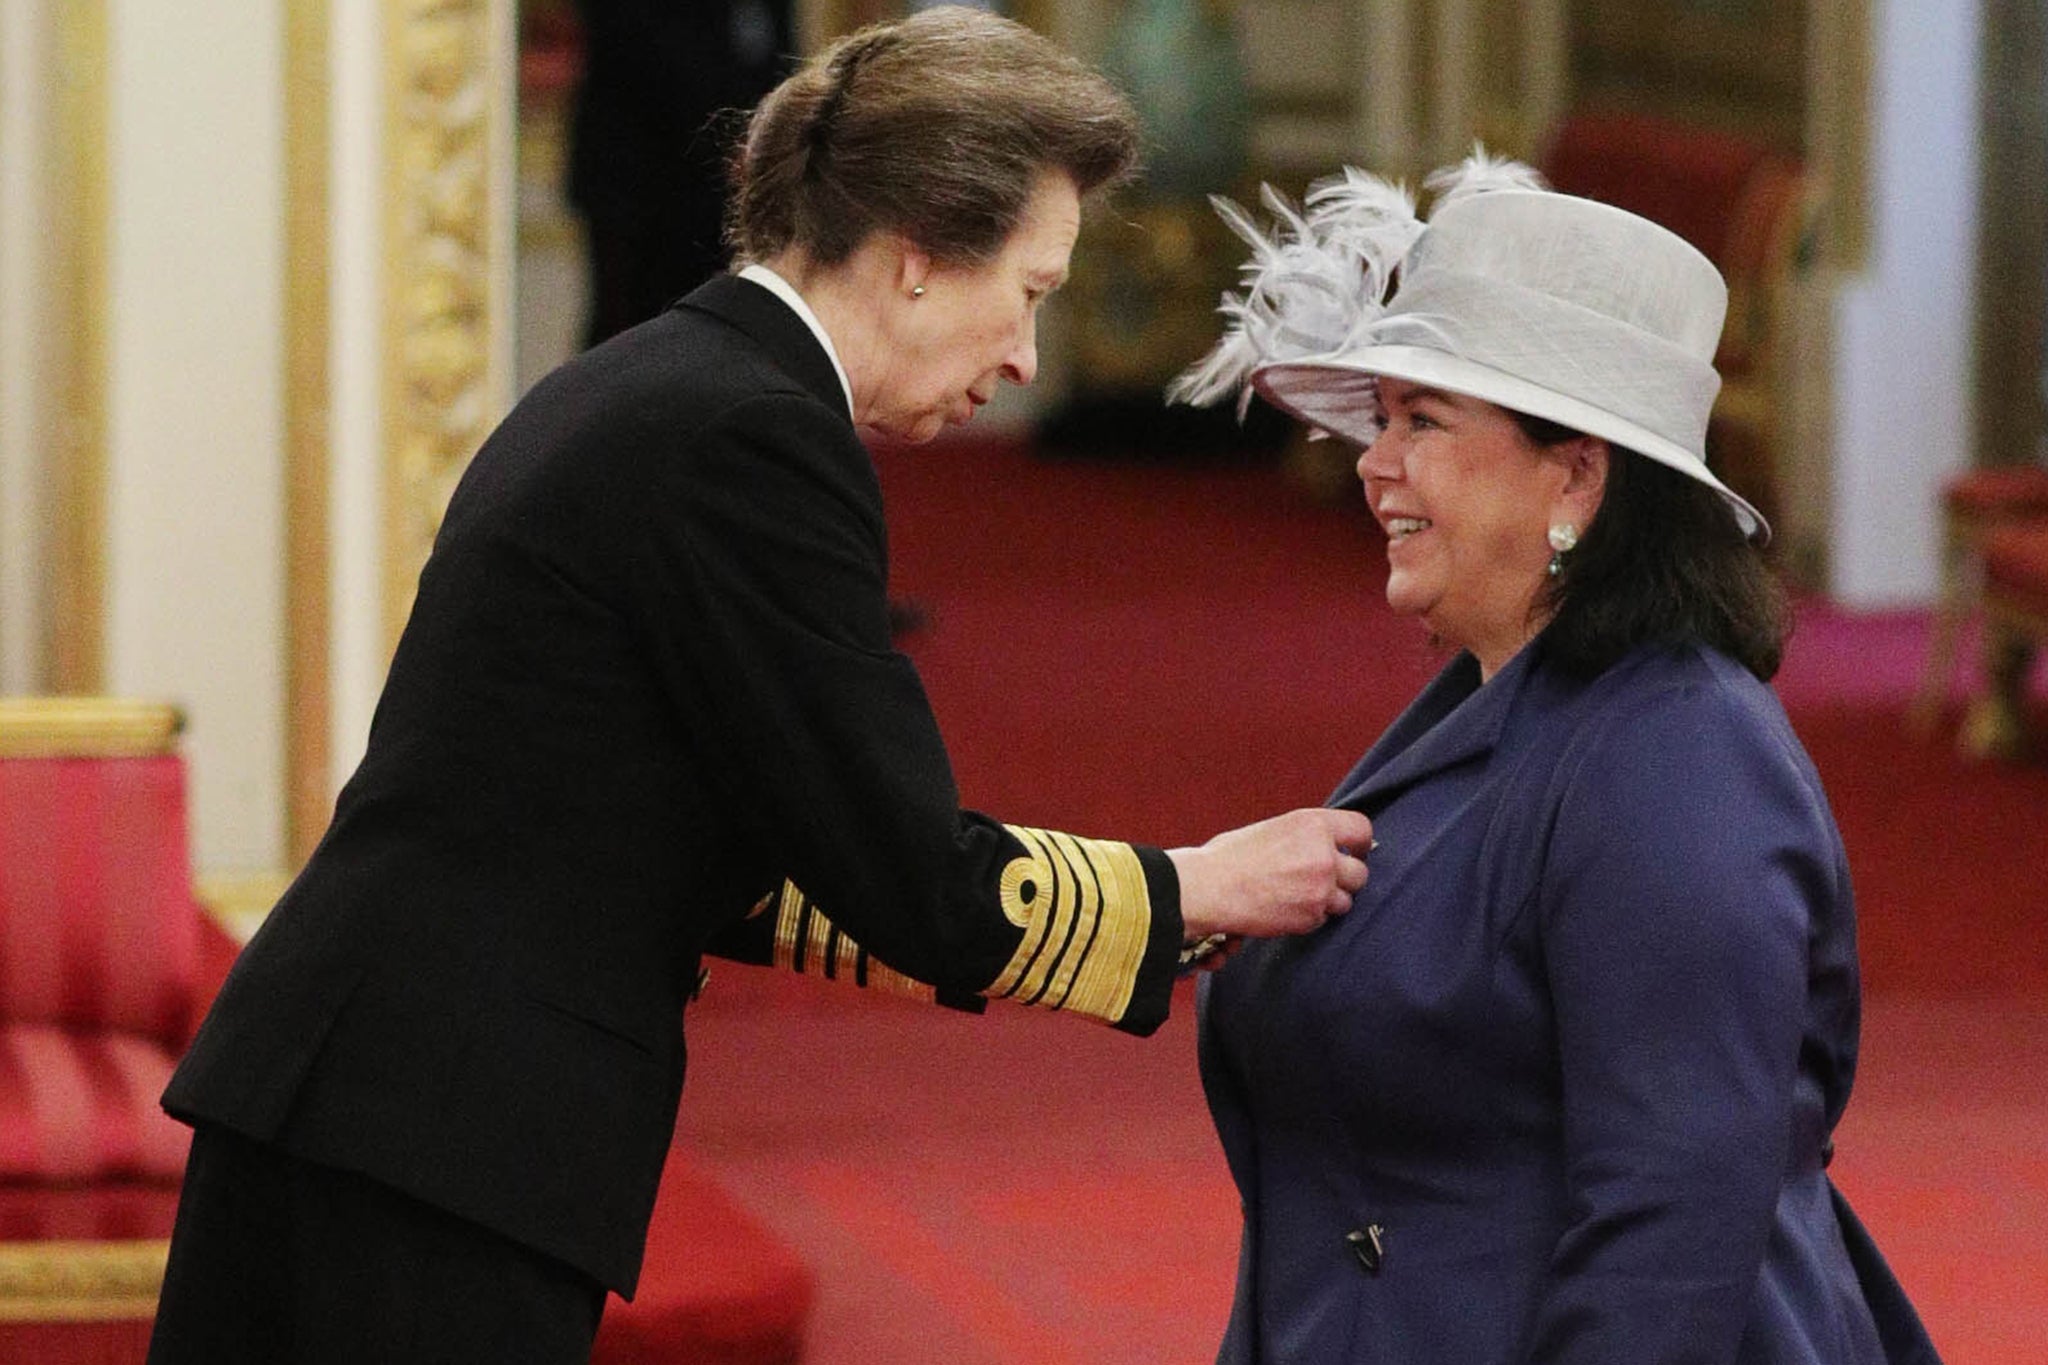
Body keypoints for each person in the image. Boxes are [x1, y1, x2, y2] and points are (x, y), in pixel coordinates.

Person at [145, 11, 1373, 1364]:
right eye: (1029, 292)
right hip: (437, 1135)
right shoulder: (756, 438)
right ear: (914, 263)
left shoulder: (662, 380)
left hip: (368, 1100)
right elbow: (903, 871)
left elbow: (734, 848)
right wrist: (1192, 887)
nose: (1027, 356)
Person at [1174, 156, 1941, 1364]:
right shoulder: (1495, 705)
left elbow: (1666, 1232)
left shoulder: (1680, 763)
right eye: (1379, 420)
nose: (1373, 465)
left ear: (1574, 475)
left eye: (1421, 422)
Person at [567, 0, 797, 346]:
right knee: (633, 337)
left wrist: (776, 135)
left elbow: (778, 51)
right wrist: (731, 139)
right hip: (639, 184)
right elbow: (636, 46)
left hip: (735, 183)